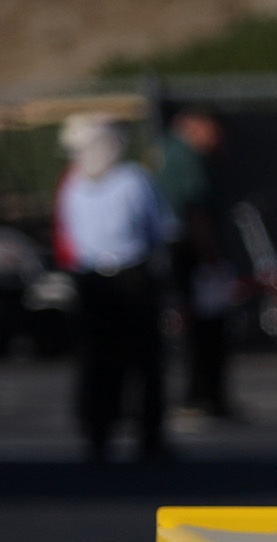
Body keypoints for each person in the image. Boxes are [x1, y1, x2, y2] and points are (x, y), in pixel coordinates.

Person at [57, 117, 172, 461]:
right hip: (127, 277)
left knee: (103, 359)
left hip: (95, 277)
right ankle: (140, 435)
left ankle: (103, 433)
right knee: (138, 360)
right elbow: (158, 229)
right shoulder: (132, 179)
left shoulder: (74, 185)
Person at [158, 106, 234, 420]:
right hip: (190, 253)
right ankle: (205, 394)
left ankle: (199, 393)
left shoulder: (168, 153)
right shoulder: (187, 158)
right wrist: (211, 255)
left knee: (195, 326)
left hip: (181, 251)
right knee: (207, 328)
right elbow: (196, 211)